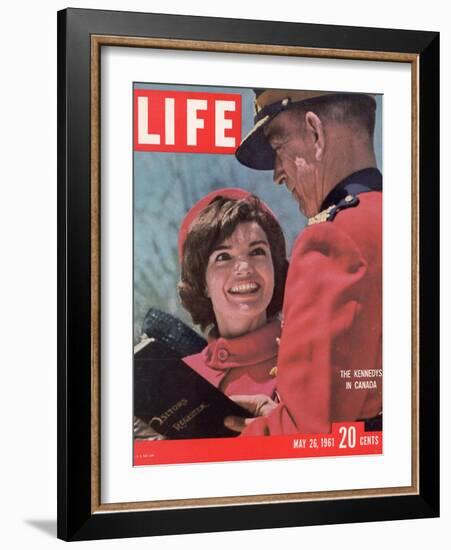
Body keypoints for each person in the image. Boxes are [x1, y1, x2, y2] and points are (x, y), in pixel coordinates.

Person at [227, 89, 383, 435]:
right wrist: (282, 409)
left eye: (279, 147)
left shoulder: (333, 239)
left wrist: (212, 440)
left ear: (315, 133)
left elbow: (307, 437)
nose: (277, 175)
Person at [178, 188, 288, 406]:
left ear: (274, 269)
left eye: (257, 251)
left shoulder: (307, 356)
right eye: (223, 257)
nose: (244, 268)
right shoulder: (179, 378)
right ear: (203, 283)